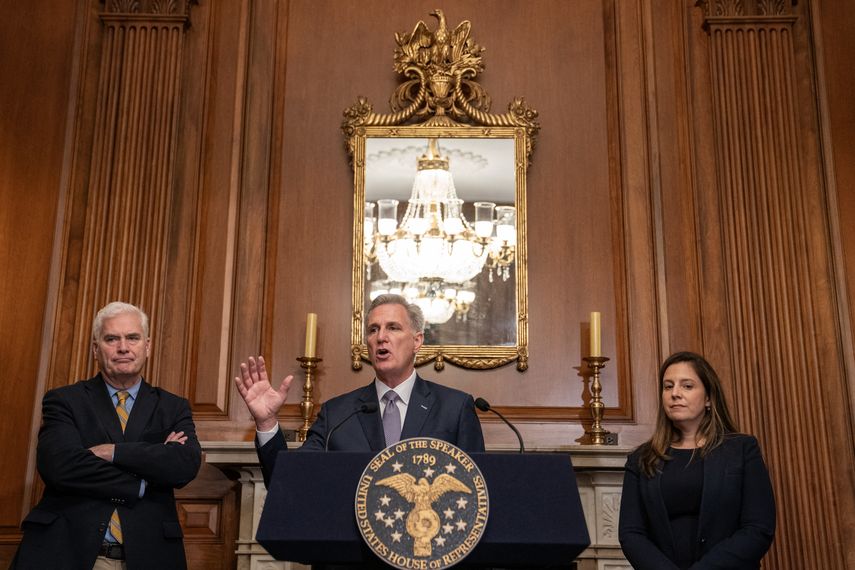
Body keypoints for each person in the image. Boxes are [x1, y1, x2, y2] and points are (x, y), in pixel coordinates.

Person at [14, 302, 202, 570]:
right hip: (67, 553)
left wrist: (112, 452)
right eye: (112, 339)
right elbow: (60, 466)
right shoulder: (65, 400)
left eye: (132, 338)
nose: (123, 347)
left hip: (149, 556)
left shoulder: (172, 406)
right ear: (95, 349)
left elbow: (184, 464)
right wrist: (143, 479)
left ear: (147, 346)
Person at [235, 294, 485, 487]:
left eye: (393, 328)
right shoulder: (338, 413)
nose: (381, 337)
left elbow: (478, 488)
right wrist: (267, 422)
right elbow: (289, 480)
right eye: (373, 329)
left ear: (417, 340)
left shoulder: (454, 408)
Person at [618, 351, 776, 570]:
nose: (675, 393)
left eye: (687, 386)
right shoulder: (641, 459)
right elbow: (631, 534)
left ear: (709, 398)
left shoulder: (742, 450)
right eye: (668, 386)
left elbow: (759, 528)